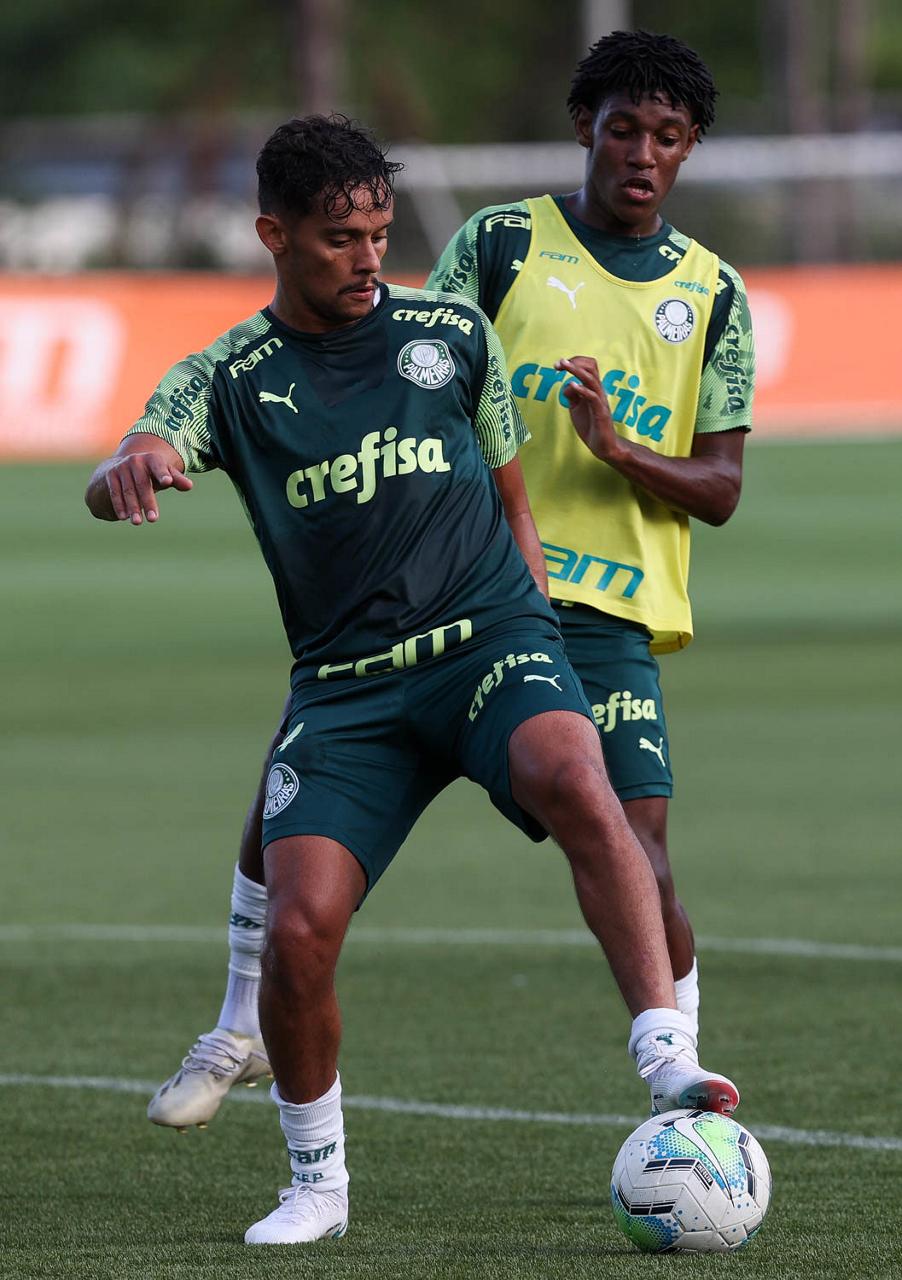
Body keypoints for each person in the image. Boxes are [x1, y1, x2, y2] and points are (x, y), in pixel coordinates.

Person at [86, 112, 739, 1246]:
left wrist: (532, 629)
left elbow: (513, 498)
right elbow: (138, 451)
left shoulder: (450, 333)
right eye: (340, 238)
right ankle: (317, 1186)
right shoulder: (231, 375)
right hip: (347, 689)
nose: (368, 259)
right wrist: (129, 467)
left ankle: (666, 1052)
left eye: (380, 235)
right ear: (274, 235)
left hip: (488, 643)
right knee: (301, 927)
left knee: (576, 777)